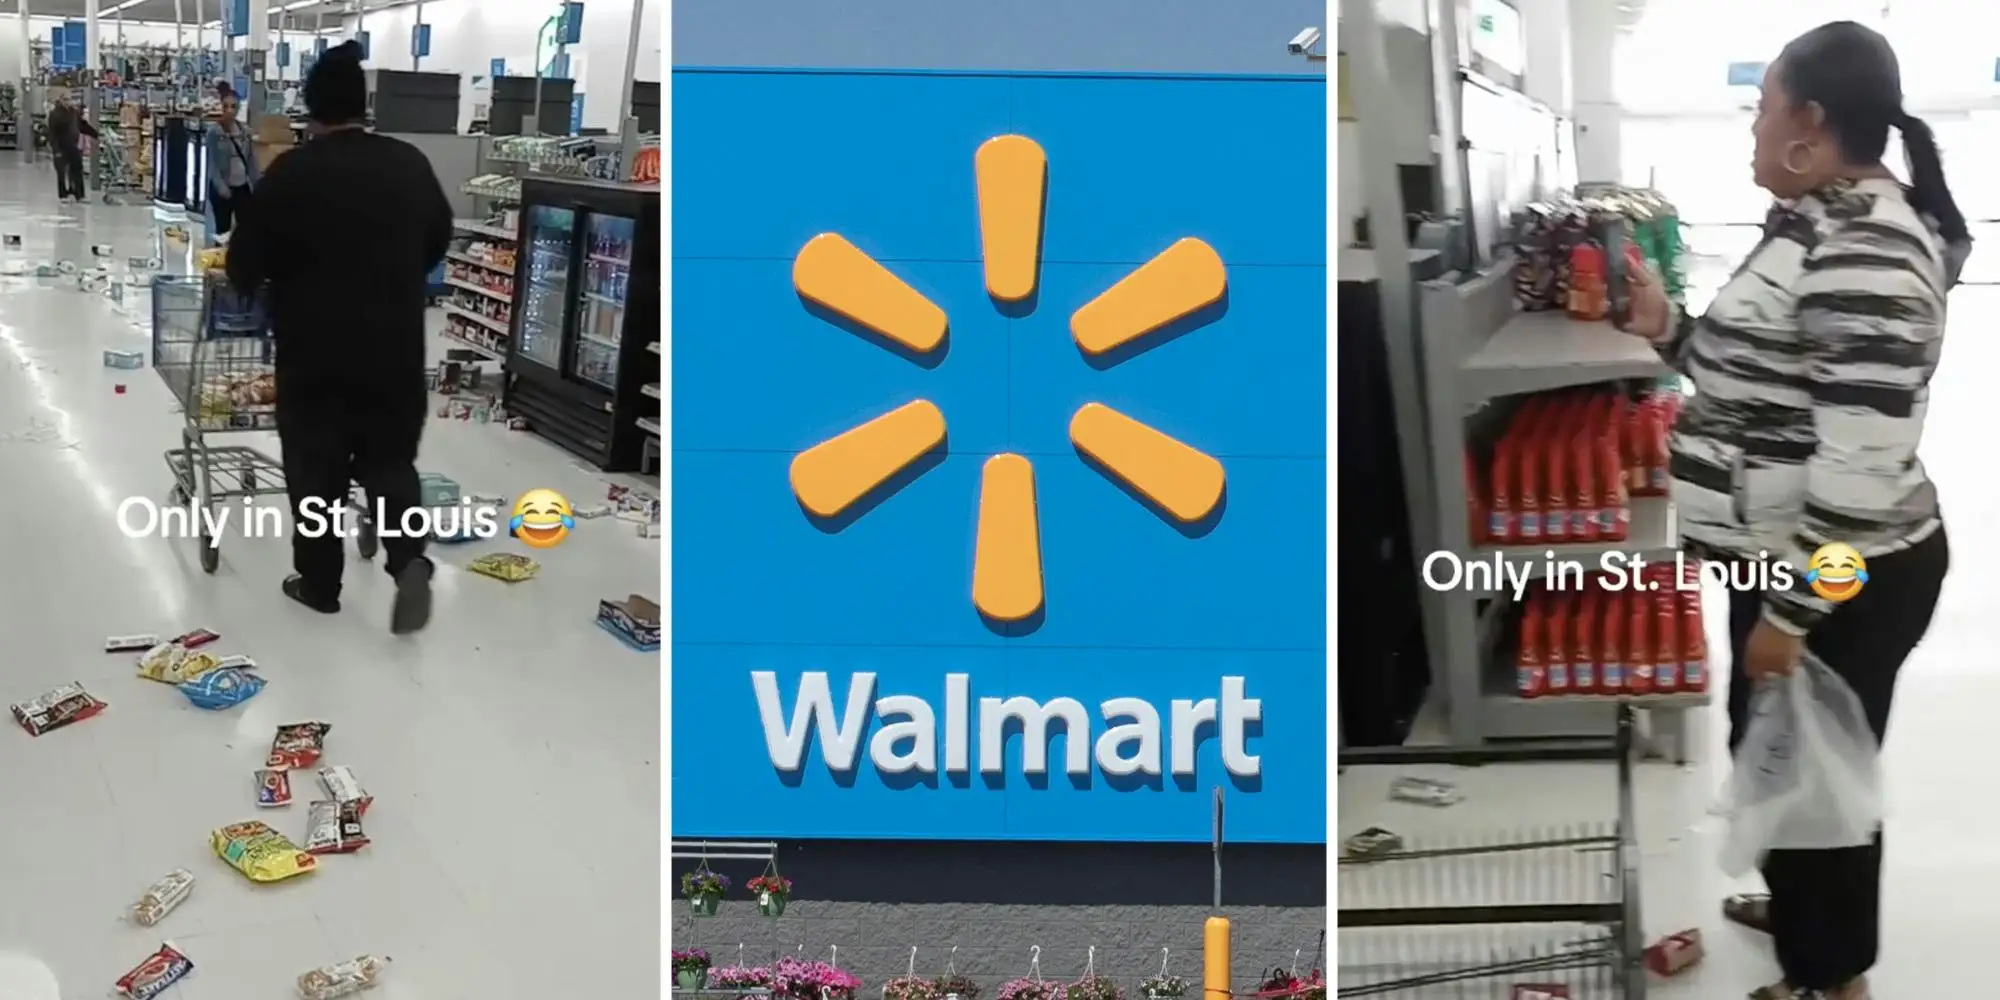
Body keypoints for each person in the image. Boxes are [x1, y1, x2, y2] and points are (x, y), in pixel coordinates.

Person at [1622, 20, 1967, 1000]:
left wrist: (1791, 615)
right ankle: (1797, 906)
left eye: (1760, 106)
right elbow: (1757, 383)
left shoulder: (1864, 244)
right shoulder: (1816, 219)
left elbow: (1860, 472)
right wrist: (1669, 332)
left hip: (1840, 573)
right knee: (1773, 748)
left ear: (1807, 123)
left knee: (1816, 774)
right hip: (1784, 558)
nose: (1751, 127)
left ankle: (1828, 976)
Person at [224, 40, 455, 634]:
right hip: (395, 350)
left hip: (314, 354)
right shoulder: (409, 164)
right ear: (363, 104)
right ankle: (408, 560)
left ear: (311, 110)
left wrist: (264, 279)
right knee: (388, 462)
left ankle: (321, 585)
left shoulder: (291, 173)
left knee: (315, 473)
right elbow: (438, 242)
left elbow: (244, 263)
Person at [207, 88, 261, 237]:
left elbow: (251, 160)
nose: (230, 111)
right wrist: (222, 188)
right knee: (223, 230)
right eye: (226, 106)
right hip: (223, 189)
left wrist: (258, 185)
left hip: (242, 187)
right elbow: (212, 165)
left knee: (246, 228)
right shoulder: (214, 133)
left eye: (233, 107)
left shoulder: (245, 132)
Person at [45, 88, 99, 203]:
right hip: (60, 147)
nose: (68, 101)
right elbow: (51, 133)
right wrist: (55, 149)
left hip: (73, 146)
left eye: (69, 99)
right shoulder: (55, 114)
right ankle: (63, 195)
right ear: (60, 100)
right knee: (61, 172)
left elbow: (82, 126)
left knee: (77, 170)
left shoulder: (73, 113)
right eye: (65, 99)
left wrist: (95, 134)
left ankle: (79, 195)